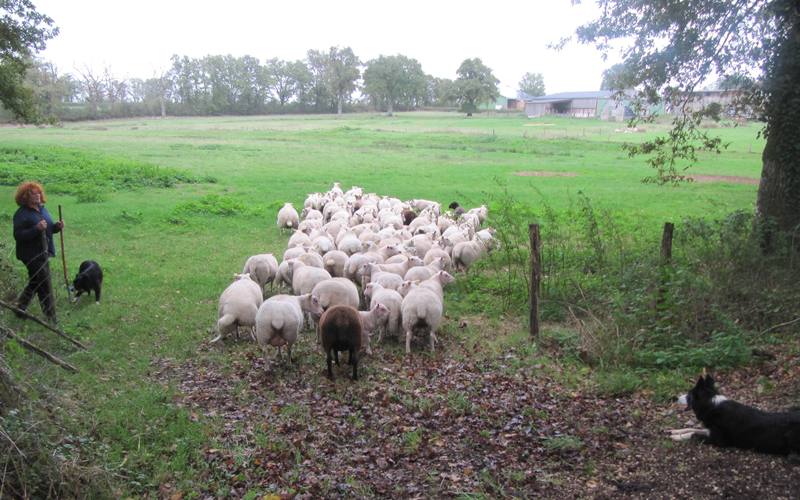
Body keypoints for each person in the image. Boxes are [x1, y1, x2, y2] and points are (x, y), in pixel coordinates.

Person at [12, 181, 63, 324]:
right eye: (34, 194)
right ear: (25, 197)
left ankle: (20, 308)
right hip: (31, 254)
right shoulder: (21, 214)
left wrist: (56, 227)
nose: (38, 196)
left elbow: (47, 229)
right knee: (44, 283)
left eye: (39, 193)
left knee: (35, 281)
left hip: (43, 251)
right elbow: (18, 235)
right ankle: (51, 318)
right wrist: (36, 229)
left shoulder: (42, 209)